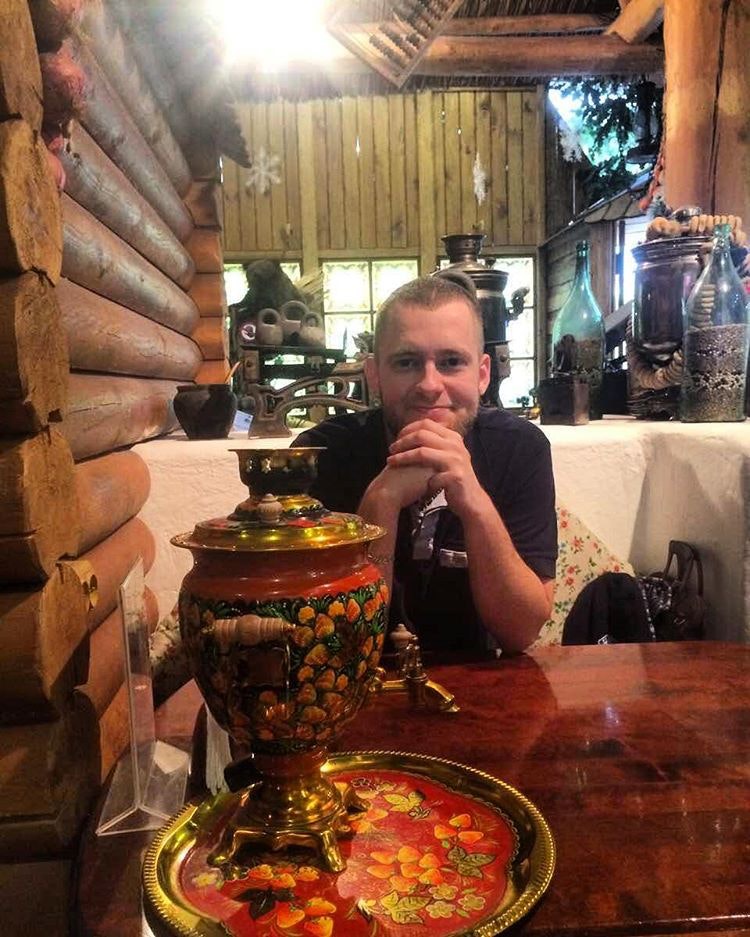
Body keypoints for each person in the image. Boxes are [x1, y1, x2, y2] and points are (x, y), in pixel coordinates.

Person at [296, 276, 557, 655]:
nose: (430, 385)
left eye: (451, 362)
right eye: (407, 363)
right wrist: (381, 501)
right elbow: (330, 639)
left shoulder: (521, 449)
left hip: (479, 681)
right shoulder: (318, 455)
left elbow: (521, 632)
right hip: (357, 681)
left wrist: (475, 504)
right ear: (374, 375)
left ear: (483, 374)